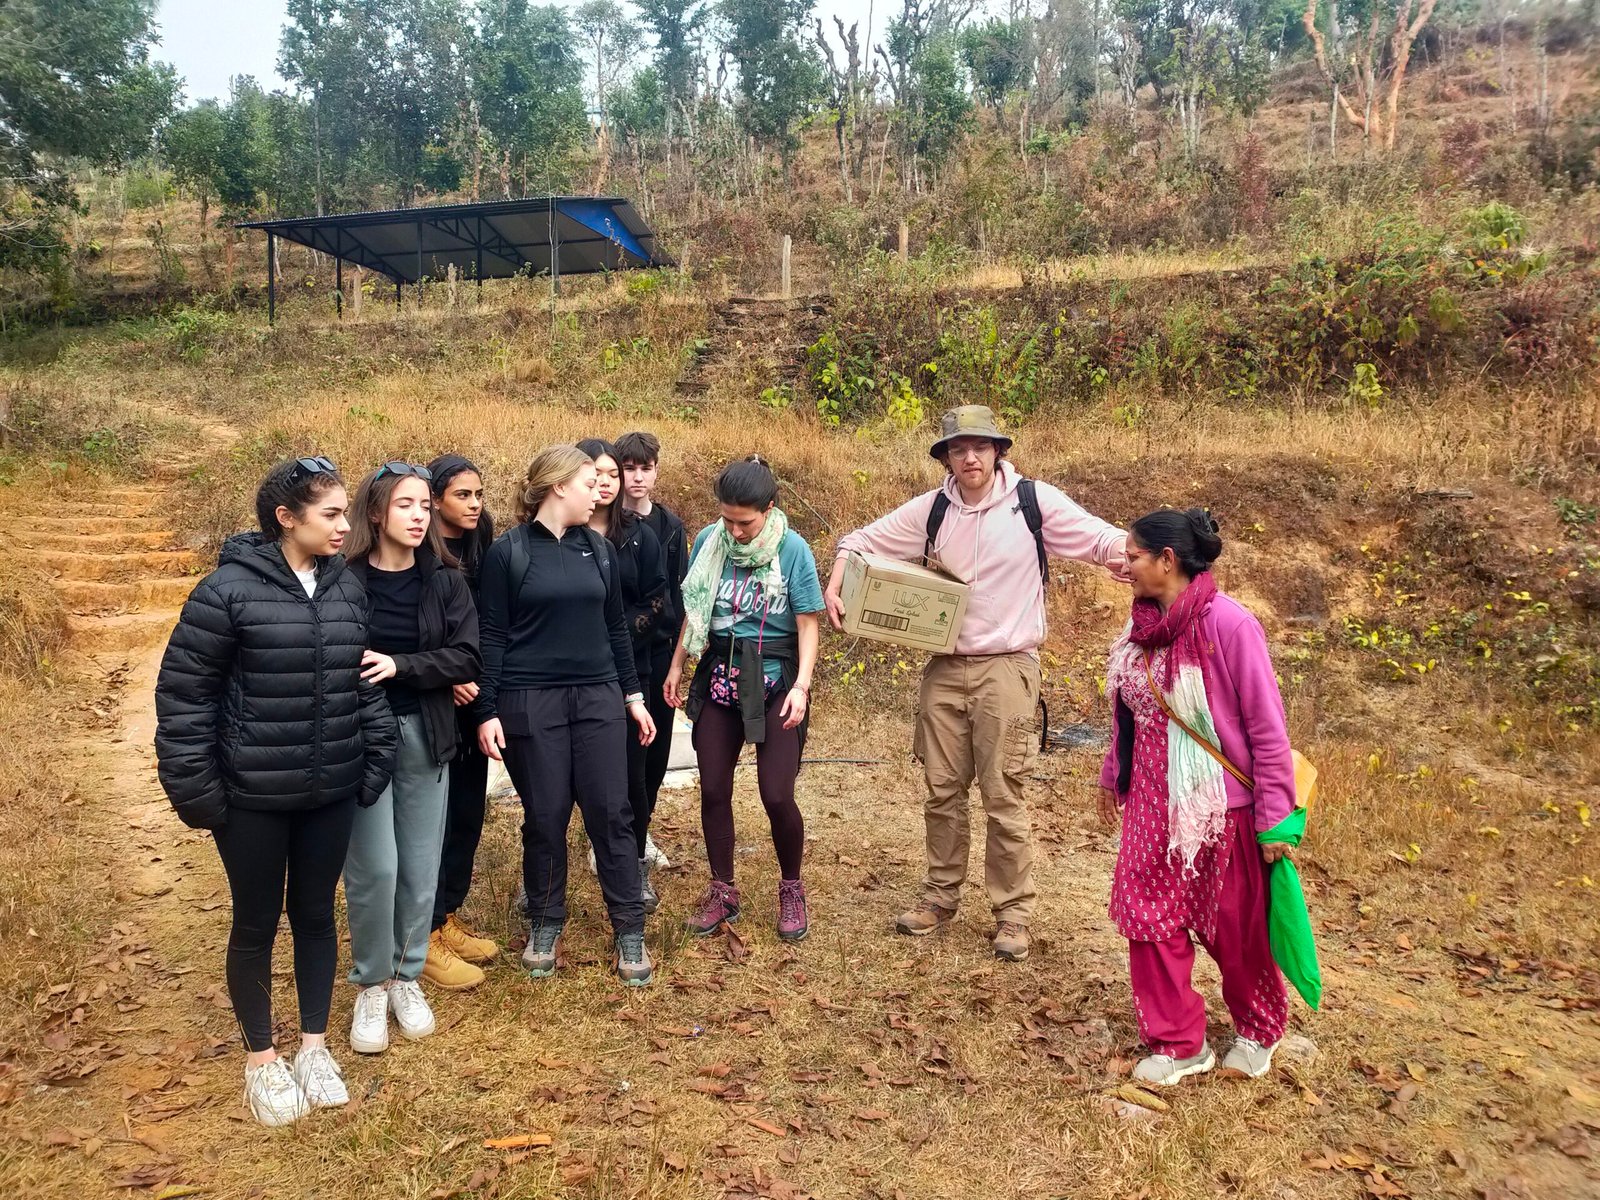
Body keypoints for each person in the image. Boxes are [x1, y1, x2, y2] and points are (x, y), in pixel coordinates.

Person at [825, 405, 1128, 962]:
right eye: (958, 448)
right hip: (944, 668)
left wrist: (1141, 559)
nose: (969, 457)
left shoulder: (1033, 503)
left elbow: (1101, 540)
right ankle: (940, 897)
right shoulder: (934, 509)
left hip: (1007, 668)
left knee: (1003, 794)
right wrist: (838, 577)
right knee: (941, 790)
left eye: (980, 447)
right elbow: (861, 539)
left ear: (998, 451)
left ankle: (1013, 913)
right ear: (945, 456)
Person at [153, 457, 396, 1128]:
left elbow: (360, 681)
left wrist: (372, 759)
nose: (346, 526)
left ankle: (314, 1049)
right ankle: (262, 1059)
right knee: (257, 922)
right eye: (331, 514)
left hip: (331, 790)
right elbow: (184, 699)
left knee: (317, 916)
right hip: (251, 798)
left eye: (347, 513)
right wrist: (200, 793)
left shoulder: (345, 589)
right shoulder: (224, 593)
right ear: (286, 518)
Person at [1097, 508, 1294, 1086]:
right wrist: (1115, 774)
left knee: (1234, 925)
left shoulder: (1230, 626)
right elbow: (1130, 713)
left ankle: (1259, 1028)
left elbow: (1266, 726)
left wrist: (1275, 819)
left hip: (1219, 810)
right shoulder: (1140, 629)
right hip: (1150, 808)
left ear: (1167, 560)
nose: (1123, 565)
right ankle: (1179, 1042)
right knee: (1147, 918)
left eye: (1133, 556)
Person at [474, 445, 658, 986]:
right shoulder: (509, 553)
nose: (601, 490)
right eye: (588, 482)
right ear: (557, 487)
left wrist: (632, 696)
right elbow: (493, 635)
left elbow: (617, 630)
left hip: (598, 697)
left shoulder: (598, 549)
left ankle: (629, 929)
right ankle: (546, 922)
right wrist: (487, 709)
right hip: (531, 702)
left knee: (611, 811)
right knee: (547, 816)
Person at [342, 462, 481, 1054]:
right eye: (406, 505)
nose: (420, 515)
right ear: (375, 513)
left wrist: (404, 666)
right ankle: (371, 984)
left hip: (427, 732)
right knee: (376, 868)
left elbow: (468, 657)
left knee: (421, 865)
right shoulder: (341, 579)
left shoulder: (446, 581)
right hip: (359, 737)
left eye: (425, 505)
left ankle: (406, 975)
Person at [664, 455, 823, 942]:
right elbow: (696, 605)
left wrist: (802, 686)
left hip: (775, 679)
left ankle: (791, 888)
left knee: (777, 794)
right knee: (713, 789)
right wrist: (677, 664)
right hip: (720, 677)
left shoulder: (792, 550)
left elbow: (808, 622)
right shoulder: (711, 543)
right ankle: (722, 889)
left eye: (744, 522)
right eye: (727, 519)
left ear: (769, 508)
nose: (733, 531)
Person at [578, 438, 670, 911]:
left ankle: (632, 865)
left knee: (635, 772)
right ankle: (544, 876)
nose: (608, 483)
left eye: (612, 475)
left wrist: (615, 642)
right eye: (597, 475)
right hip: (573, 674)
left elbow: (657, 600)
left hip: (635, 668)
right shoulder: (557, 537)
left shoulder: (640, 534)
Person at [422, 454, 500, 989]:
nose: (474, 504)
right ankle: (422, 933)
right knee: (434, 819)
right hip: (433, 700)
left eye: (478, 494)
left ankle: (447, 915)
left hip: (476, 691)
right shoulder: (418, 552)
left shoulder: (483, 540)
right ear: (434, 500)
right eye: (462, 496)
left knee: (468, 812)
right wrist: (445, 674)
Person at [616, 430, 689, 870]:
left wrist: (679, 659)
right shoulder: (602, 521)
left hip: (660, 653)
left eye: (645, 468)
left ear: (656, 471)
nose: (637, 477)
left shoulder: (670, 526)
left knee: (655, 752)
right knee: (622, 753)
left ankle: (641, 832)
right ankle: (612, 837)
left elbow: (682, 598)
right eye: (630, 468)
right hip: (618, 654)